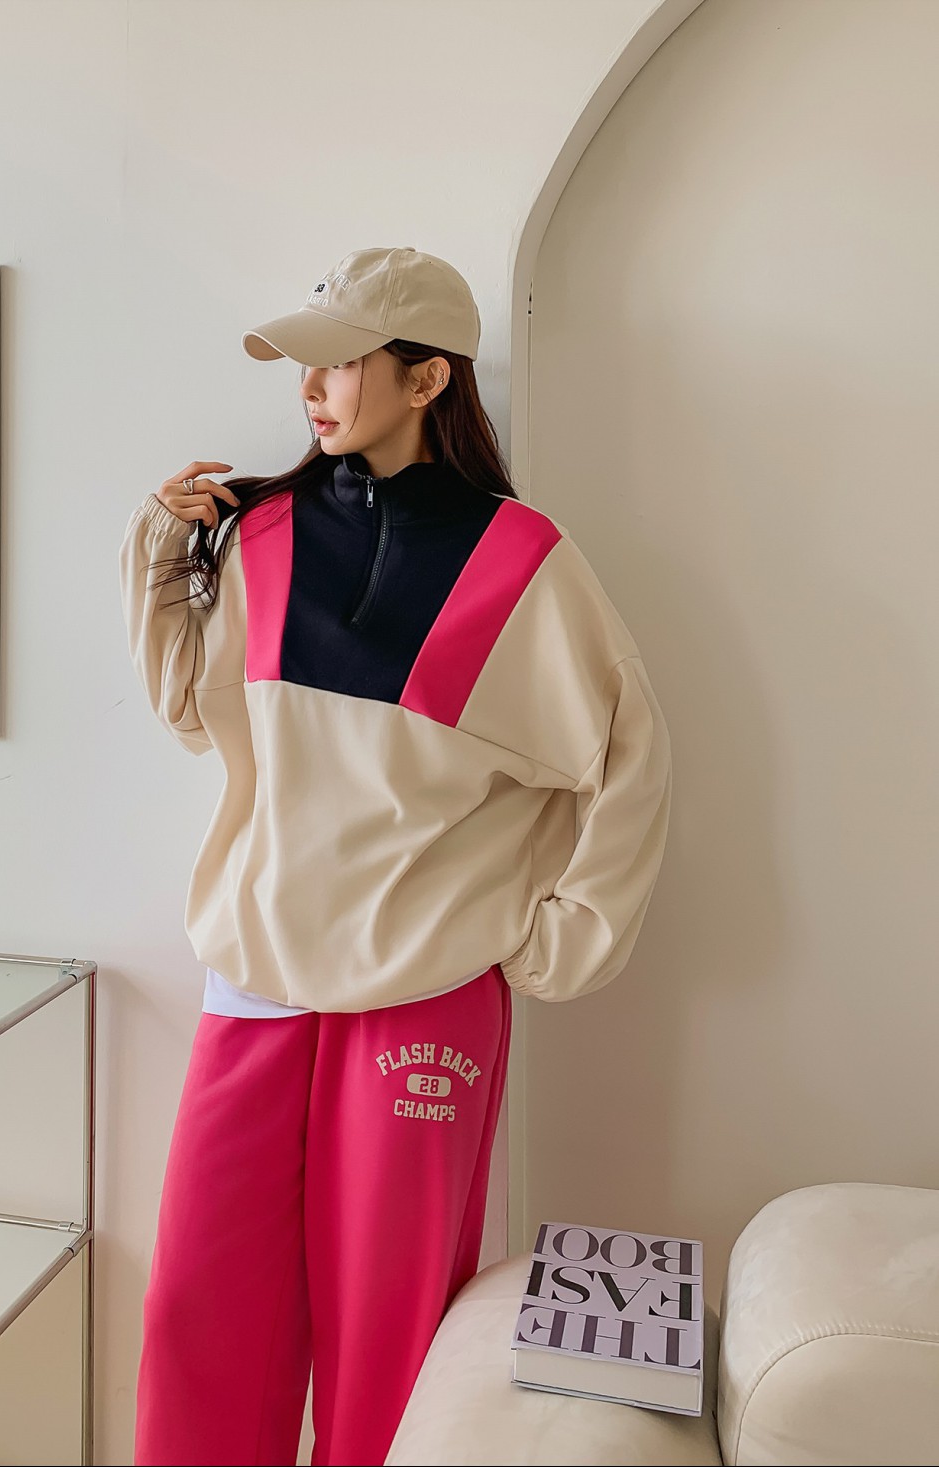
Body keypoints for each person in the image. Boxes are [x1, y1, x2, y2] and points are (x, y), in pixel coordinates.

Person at [119, 246, 672, 1467]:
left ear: (428, 379)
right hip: (257, 962)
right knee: (202, 1307)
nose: (310, 388)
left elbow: (628, 750)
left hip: (425, 982)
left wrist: (564, 936)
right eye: (304, 364)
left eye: (339, 363)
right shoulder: (262, 531)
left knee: (392, 1327)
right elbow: (191, 712)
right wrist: (163, 550)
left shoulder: (521, 559)